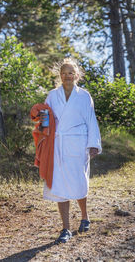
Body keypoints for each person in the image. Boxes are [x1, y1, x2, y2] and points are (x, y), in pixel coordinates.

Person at [40, 58, 102, 243]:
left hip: (78, 144)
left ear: (76, 75)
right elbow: (45, 116)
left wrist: (93, 144)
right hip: (58, 144)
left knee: (78, 182)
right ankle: (65, 228)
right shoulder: (52, 95)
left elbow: (91, 120)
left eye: (70, 72)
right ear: (60, 75)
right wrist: (44, 138)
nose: (67, 76)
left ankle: (84, 216)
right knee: (59, 185)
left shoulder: (84, 96)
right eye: (64, 72)